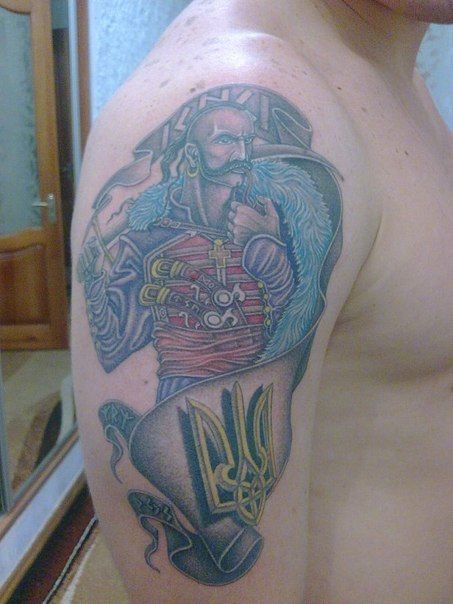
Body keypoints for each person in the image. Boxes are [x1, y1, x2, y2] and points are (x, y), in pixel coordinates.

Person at [71, 0, 453, 601]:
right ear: (191, 153)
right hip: (202, 401)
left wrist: (262, 249)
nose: (244, 152)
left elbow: (293, 310)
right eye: (226, 140)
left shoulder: (391, 69)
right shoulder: (252, 75)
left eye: (247, 140)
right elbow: (123, 327)